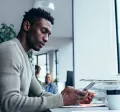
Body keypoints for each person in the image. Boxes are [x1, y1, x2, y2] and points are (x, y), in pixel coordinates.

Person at [0, 8, 94, 112]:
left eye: (48, 34)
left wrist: (74, 100)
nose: (46, 39)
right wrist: (62, 99)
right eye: (43, 31)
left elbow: (41, 94)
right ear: (27, 26)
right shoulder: (10, 50)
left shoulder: (25, 57)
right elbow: (9, 103)